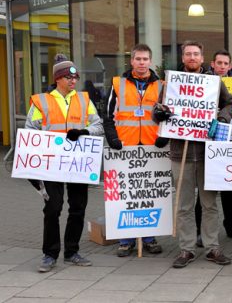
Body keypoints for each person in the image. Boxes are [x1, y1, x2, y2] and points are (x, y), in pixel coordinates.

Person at [152, 40, 232, 269]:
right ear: (183, 58)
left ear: (202, 58)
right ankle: (186, 249)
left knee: (210, 204)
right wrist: (160, 115)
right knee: (184, 205)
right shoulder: (171, 82)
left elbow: (231, 105)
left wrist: (221, 119)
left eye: (196, 54)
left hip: (208, 154)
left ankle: (212, 248)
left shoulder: (213, 82)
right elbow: (156, 110)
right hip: (181, 154)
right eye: (188, 54)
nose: (192, 57)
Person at [26, 54, 104, 273]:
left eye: (76, 77)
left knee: (78, 208)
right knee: (53, 207)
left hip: (78, 163)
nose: (74, 81)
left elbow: (98, 125)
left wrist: (83, 131)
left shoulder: (83, 100)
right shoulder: (42, 101)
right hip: (51, 164)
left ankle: (72, 252)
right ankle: (49, 254)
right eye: (69, 77)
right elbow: (30, 130)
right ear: (58, 78)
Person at [103, 43, 167, 257]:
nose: (141, 63)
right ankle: (126, 239)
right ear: (131, 61)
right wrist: (112, 137)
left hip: (152, 147)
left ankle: (149, 237)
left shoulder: (161, 85)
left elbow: (170, 116)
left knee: (150, 193)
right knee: (125, 193)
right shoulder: (117, 84)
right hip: (125, 147)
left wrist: (163, 136)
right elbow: (108, 114)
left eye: (145, 59)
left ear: (150, 61)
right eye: (137, 59)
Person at [195, 49, 232, 243]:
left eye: (226, 64)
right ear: (212, 64)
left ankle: (231, 227)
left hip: (230, 140)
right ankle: (200, 231)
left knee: (231, 189)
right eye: (219, 63)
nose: (222, 67)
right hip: (206, 141)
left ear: (230, 66)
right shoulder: (204, 80)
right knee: (205, 190)